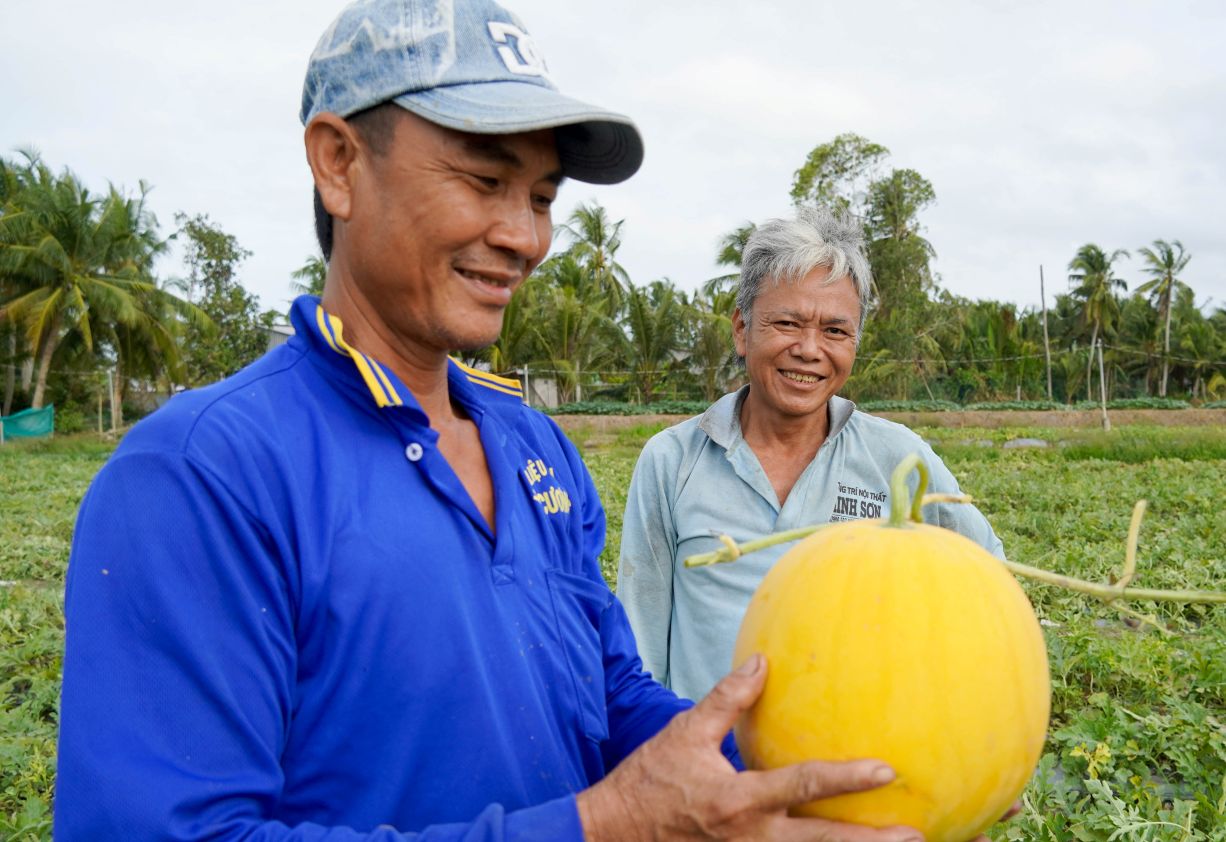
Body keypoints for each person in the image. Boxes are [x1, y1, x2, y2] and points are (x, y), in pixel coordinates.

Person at [54, 1, 936, 839]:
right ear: (338, 164)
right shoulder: (203, 474)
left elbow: (609, 692)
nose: (524, 236)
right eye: (484, 179)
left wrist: (836, 777)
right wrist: (602, 827)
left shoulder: (531, 446)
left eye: (543, 198)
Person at [617, 207, 1007, 704]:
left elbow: (987, 576)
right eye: (787, 322)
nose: (808, 349)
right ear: (742, 329)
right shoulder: (671, 462)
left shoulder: (898, 459)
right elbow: (640, 638)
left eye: (835, 331)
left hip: (855, 767)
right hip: (713, 768)